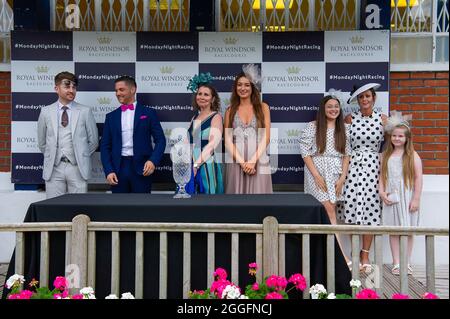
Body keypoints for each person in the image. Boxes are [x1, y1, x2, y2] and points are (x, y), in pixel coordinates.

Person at [337, 83, 387, 273]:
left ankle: (365, 254)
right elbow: (344, 145)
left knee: (371, 212)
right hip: (353, 168)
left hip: (374, 167)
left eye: (367, 96)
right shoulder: (350, 118)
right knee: (351, 209)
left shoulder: (383, 119)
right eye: (361, 97)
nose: (364, 100)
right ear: (357, 101)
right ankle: (353, 253)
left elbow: (392, 146)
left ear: (373, 98)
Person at [300, 94, 351, 265]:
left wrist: (342, 177)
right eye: (329, 106)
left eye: (336, 106)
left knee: (331, 210)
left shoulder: (343, 128)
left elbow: (346, 154)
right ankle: (340, 256)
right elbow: (305, 152)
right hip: (317, 171)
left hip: (335, 172)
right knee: (328, 210)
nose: (333, 109)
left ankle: (332, 254)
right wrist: (316, 176)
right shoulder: (313, 127)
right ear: (323, 108)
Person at [37, 71, 99, 199]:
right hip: (54, 168)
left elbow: (93, 141)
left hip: (77, 167)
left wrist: (81, 155)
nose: (71, 90)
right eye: (67, 86)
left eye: (74, 87)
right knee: (53, 207)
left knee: (78, 207)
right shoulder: (46, 111)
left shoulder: (85, 111)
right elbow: (42, 142)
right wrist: (53, 156)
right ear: (56, 88)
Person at [100, 75, 166, 193]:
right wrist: (109, 170)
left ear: (133, 89)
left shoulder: (149, 113)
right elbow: (105, 146)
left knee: (142, 207)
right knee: (119, 208)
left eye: (121, 90)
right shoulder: (111, 117)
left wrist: (153, 161)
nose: (118, 93)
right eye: (116, 90)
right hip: (118, 169)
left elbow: (160, 140)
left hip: (142, 167)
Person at [379, 112, 422, 276]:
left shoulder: (412, 155)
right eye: (394, 136)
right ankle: (396, 262)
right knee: (394, 230)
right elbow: (382, 176)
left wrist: (416, 199)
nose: (397, 139)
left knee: (408, 230)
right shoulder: (386, 156)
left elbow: (418, 178)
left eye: (400, 136)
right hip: (391, 197)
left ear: (407, 138)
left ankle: (406, 262)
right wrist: (382, 192)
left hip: (407, 197)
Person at [224, 64, 272, 194]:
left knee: (259, 198)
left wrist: (252, 162)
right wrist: (242, 163)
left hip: (258, 159)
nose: (242, 88)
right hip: (236, 160)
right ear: (235, 88)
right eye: (239, 85)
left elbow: (266, 137)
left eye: (247, 85)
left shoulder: (263, 107)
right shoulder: (229, 110)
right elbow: (227, 141)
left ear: (253, 87)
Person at [186, 73, 224, 194]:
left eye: (206, 94)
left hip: (207, 166)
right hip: (192, 165)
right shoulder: (194, 117)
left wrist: (196, 165)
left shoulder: (216, 117)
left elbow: (212, 145)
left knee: (207, 200)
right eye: (199, 94)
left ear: (212, 99)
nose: (202, 97)